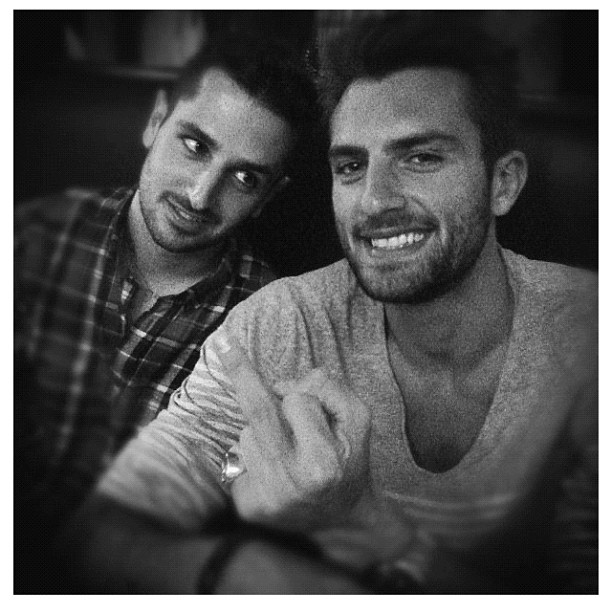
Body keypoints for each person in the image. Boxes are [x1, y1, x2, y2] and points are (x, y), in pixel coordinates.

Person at [59, 16, 597, 594]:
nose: (374, 201)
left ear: (503, 183)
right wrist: (247, 573)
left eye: (420, 158)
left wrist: (366, 526)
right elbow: (98, 533)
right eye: (351, 167)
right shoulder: (283, 324)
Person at [14, 32, 319, 589]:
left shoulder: (274, 322)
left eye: (245, 178)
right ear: (156, 121)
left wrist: (237, 474)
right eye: (195, 145)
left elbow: (238, 479)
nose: (201, 195)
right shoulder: (32, 238)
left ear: (269, 196)